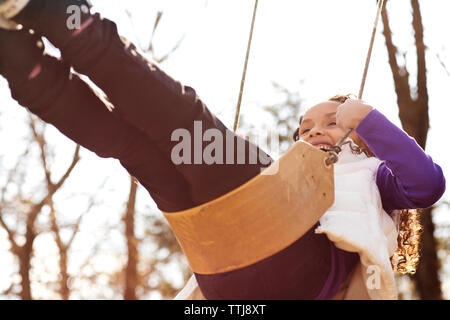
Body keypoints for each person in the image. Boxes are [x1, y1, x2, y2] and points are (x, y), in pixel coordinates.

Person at [0, 1, 445, 299]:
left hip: (291, 262)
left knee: (182, 120)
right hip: (224, 269)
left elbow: (428, 184)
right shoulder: (295, 173)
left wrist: (363, 117)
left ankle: (56, 13)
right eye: (305, 126)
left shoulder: (372, 178)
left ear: (367, 144)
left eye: (333, 123)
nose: (314, 132)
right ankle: (21, 63)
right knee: (136, 149)